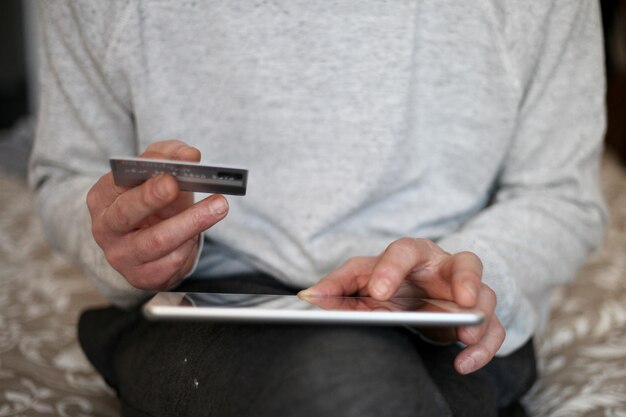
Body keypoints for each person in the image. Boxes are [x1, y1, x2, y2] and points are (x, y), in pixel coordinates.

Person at [29, 1, 607, 416]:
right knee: (345, 383)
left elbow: (560, 194)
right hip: (210, 303)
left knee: (346, 383)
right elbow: (67, 174)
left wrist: (473, 273)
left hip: (437, 314)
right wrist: (129, 240)